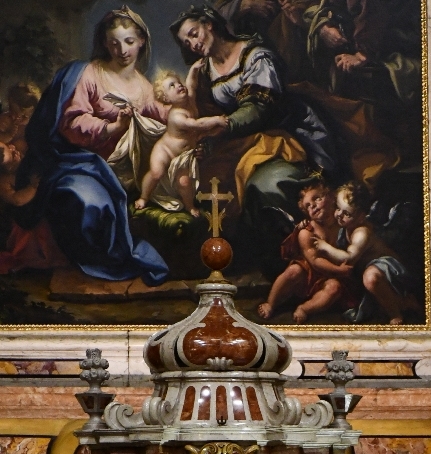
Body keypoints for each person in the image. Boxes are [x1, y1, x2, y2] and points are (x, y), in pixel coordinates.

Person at [2, 6, 168, 284]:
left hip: (120, 167)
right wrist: (111, 127)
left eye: (129, 42)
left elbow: (162, 118)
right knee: (87, 202)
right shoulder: (91, 73)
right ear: (104, 43)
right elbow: (72, 121)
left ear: (141, 41)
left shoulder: (145, 87)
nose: (122, 50)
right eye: (114, 42)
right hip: (78, 160)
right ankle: (99, 261)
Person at [170, 5, 338, 275]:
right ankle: (244, 262)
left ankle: (298, 262)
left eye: (194, 33)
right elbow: (206, 114)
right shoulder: (205, 70)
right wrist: (208, 142)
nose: (193, 43)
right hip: (244, 141)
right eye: (186, 41)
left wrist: (225, 124)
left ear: (209, 24)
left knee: (264, 185)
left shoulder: (255, 55)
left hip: (290, 135)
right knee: (205, 181)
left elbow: (260, 108)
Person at [313, 180, 419, 323]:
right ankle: (404, 302)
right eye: (338, 208)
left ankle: (396, 314)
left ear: (361, 217)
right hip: (364, 270)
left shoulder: (362, 232)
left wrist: (325, 247)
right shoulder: (344, 225)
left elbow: (349, 257)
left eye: (347, 214)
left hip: (388, 270)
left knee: (370, 279)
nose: (339, 215)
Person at [256, 181, 356, 323]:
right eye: (308, 206)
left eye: (317, 199)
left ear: (332, 198)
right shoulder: (306, 232)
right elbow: (315, 261)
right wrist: (339, 269)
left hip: (332, 276)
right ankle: (271, 303)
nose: (313, 206)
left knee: (334, 288)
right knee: (293, 271)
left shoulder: (344, 224)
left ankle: (305, 308)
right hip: (309, 273)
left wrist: (340, 270)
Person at [134, 71, 228, 217]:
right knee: (156, 172)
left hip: (183, 156)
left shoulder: (189, 100)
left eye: (178, 82)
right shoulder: (176, 116)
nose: (178, 85)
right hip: (165, 150)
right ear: (166, 98)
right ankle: (144, 197)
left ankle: (189, 206)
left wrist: (194, 69)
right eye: (172, 86)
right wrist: (217, 120)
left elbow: (191, 83)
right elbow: (198, 124)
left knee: (184, 182)